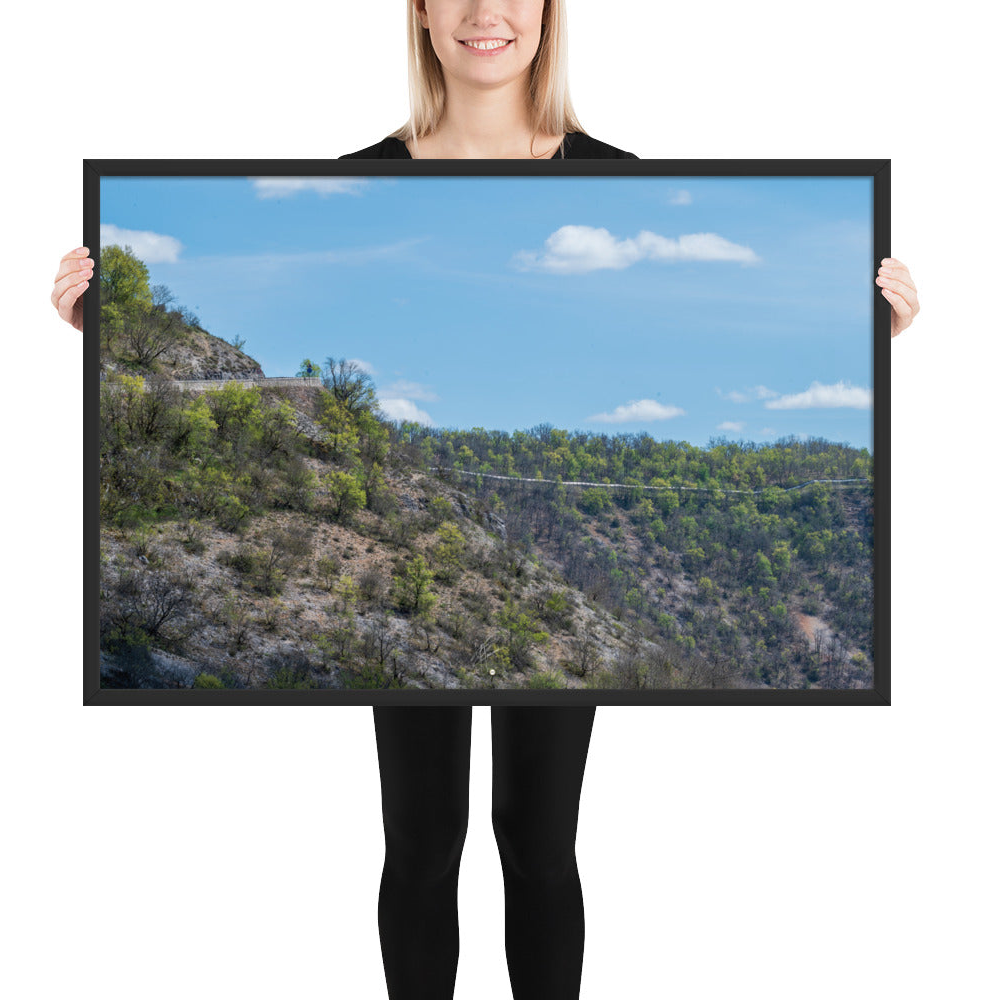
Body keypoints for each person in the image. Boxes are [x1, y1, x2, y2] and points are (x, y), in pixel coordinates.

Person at [52, 2, 920, 998]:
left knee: (539, 843)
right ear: (417, 14)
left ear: (550, 15)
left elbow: (714, 331)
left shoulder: (614, 180)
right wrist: (106, 336)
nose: (483, 13)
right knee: (422, 844)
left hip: (509, 584)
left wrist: (869, 341)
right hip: (427, 552)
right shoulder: (360, 180)